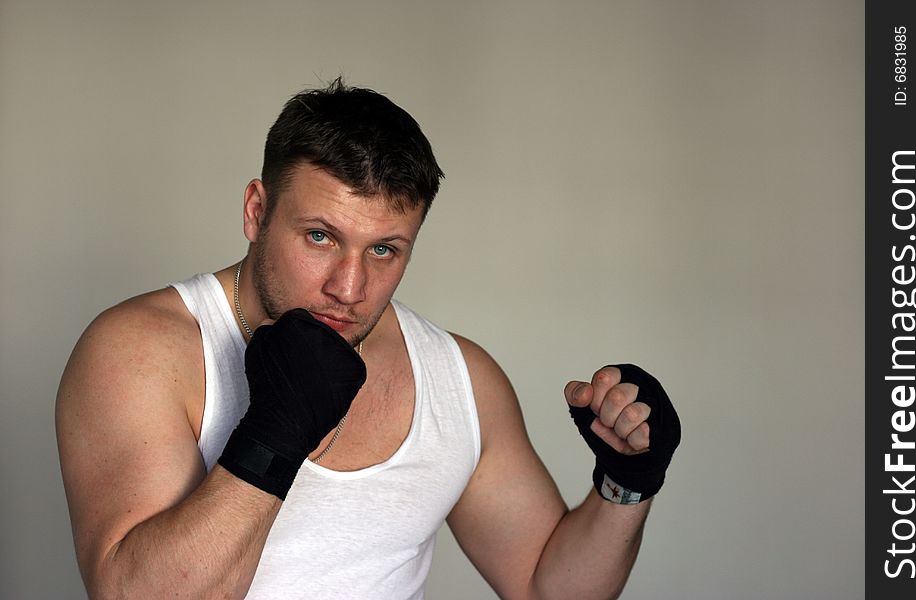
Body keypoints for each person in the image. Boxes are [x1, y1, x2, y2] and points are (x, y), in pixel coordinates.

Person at [56, 78, 680, 599]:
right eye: (320, 237)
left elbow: (548, 587)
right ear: (256, 210)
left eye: (383, 249)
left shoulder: (459, 379)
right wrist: (275, 433)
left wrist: (627, 484)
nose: (349, 287)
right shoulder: (141, 351)